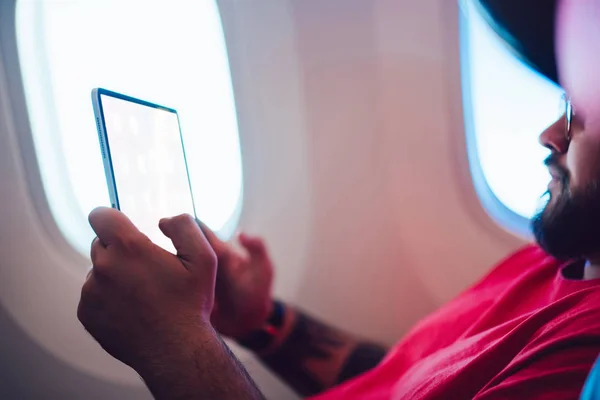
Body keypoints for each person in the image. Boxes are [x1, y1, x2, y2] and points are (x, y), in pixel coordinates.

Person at [77, 0, 600, 399]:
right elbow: (398, 379)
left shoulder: (584, 352)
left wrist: (177, 344)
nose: (550, 135)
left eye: (578, 113)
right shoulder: (554, 258)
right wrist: (260, 321)